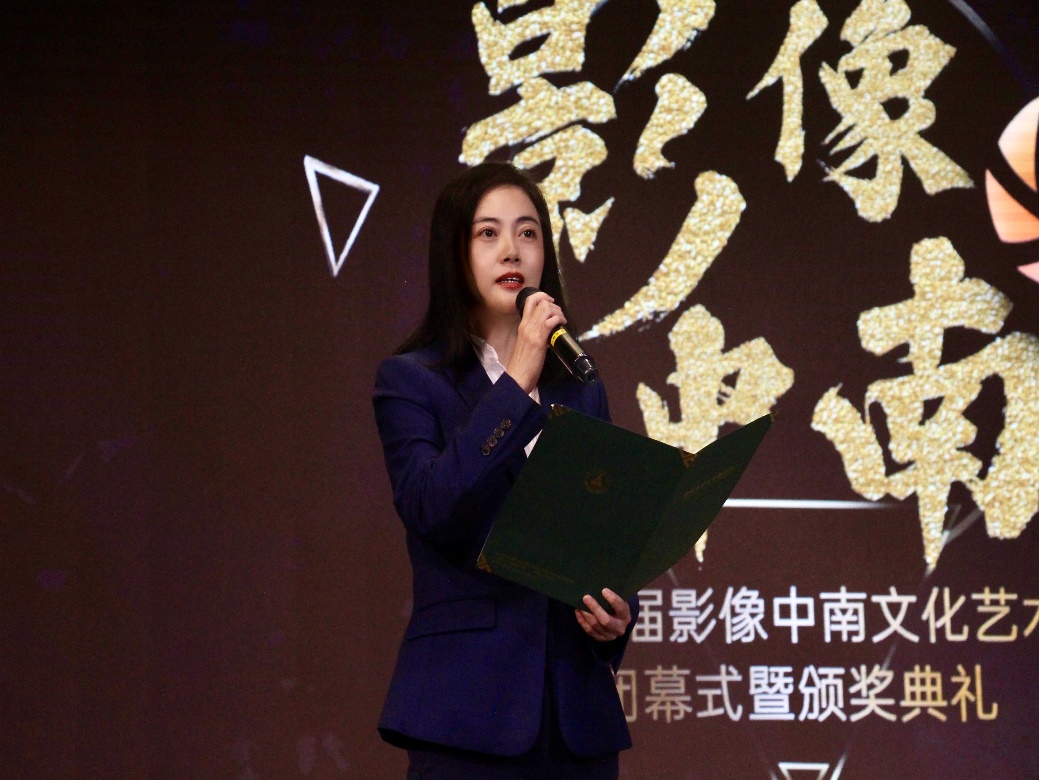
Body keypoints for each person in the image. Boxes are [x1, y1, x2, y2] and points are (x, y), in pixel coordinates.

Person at [372, 161, 638, 779]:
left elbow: (600, 537)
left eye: (528, 232)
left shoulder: (580, 387)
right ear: (455, 253)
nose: (512, 250)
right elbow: (432, 506)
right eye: (488, 233)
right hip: (464, 713)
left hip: (576, 723)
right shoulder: (411, 381)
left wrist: (614, 617)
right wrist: (517, 380)